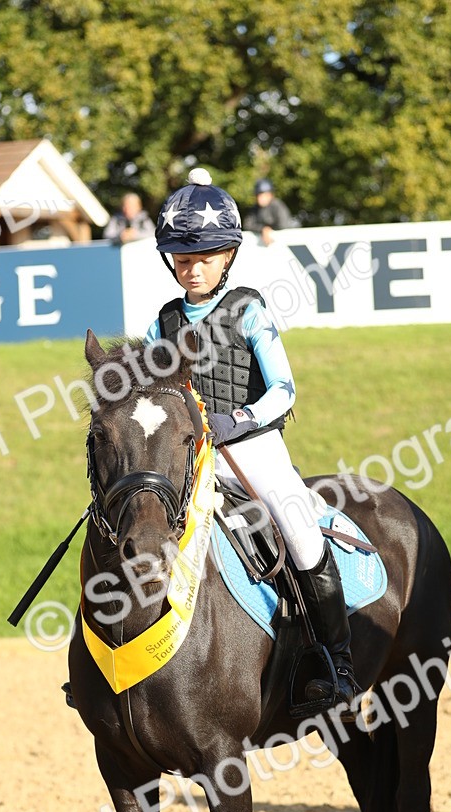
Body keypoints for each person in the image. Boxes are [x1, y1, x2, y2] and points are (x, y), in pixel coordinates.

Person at [147, 168, 358, 714]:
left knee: (300, 531)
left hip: (253, 448)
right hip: (193, 457)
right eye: (182, 259)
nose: (192, 268)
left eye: (204, 257)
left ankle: (337, 664)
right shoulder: (163, 323)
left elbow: (284, 389)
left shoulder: (248, 310)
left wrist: (234, 420)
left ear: (229, 256)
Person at [242, 179, 294, 246]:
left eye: (263, 195)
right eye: (258, 195)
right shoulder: (255, 208)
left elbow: (283, 224)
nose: (260, 198)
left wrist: (269, 229)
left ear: (270, 195)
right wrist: (263, 229)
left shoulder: (278, 206)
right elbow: (247, 225)